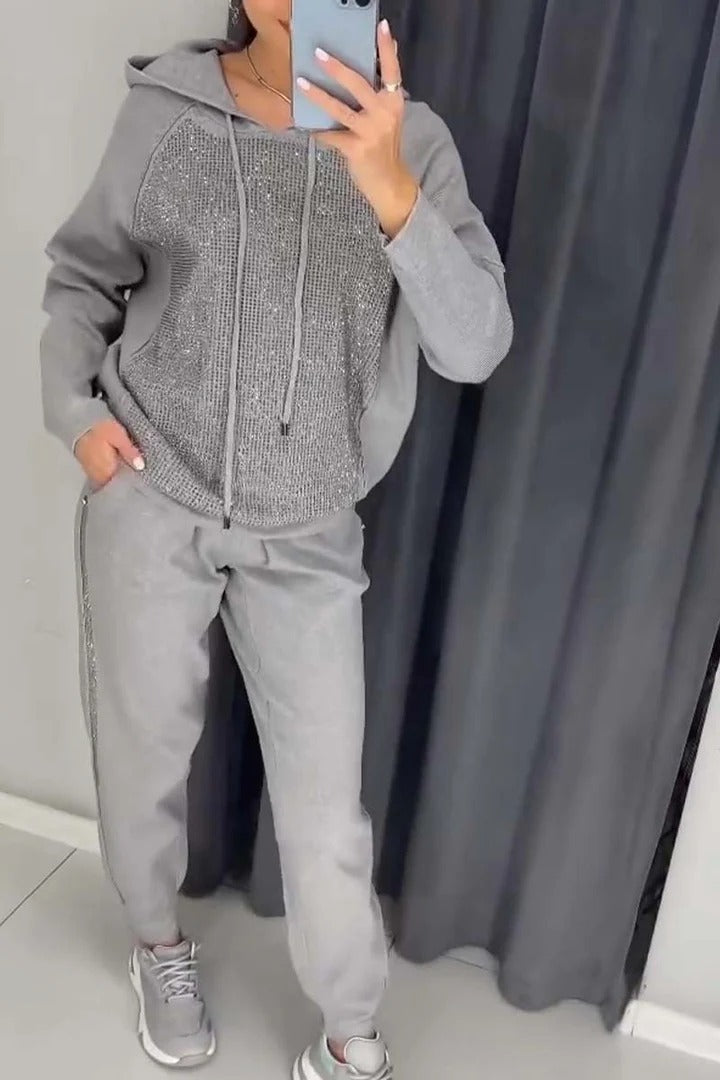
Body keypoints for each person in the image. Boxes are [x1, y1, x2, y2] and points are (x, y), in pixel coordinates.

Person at [40, 2, 513, 1077]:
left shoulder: (411, 139)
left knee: (325, 810)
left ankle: (351, 1028)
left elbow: (476, 345)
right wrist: (77, 417)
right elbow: (83, 278)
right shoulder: (166, 112)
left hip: (307, 528)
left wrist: (390, 188)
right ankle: (156, 945)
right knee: (143, 753)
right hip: (153, 494)